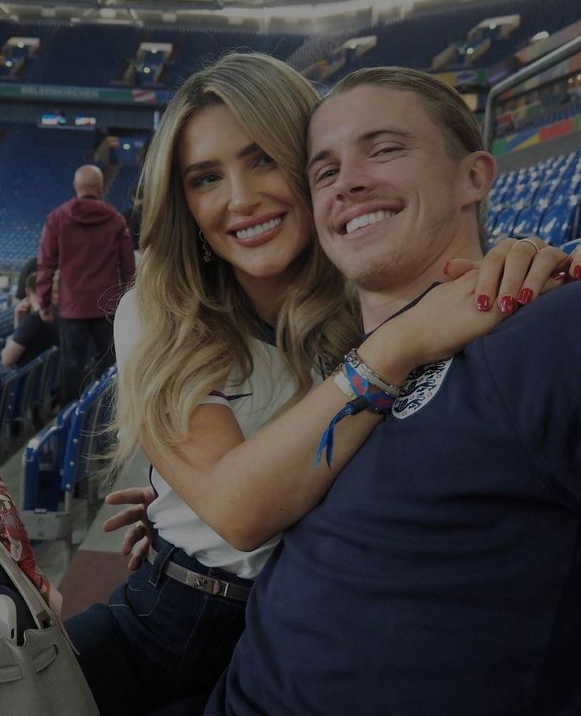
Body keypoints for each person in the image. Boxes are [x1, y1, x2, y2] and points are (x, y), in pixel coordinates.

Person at [66, 55, 575, 716]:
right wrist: (184, 502)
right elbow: (236, 510)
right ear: (183, 202)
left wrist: (523, 258)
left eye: (263, 160)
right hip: (172, 612)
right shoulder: (161, 307)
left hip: (295, 627)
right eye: (205, 178)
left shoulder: (369, 284)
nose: (240, 198)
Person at [36, 164, 135, 405]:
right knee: (108, 364)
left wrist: (44, 301)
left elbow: (45, 263)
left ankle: (68, 414)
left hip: (72, 308)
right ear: (100, 188)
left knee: (71, 363)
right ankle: (105, 413)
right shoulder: (115, 220)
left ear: (75, 186)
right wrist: (127, 303)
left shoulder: (57, 218)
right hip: (107, 308)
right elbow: (128, 267)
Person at [0, 272, 58, 369]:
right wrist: (18, 320)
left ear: (27, 292)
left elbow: (7, 359)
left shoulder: (33, 320)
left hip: (26, 380)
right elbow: (22, 338)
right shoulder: (58, 313)